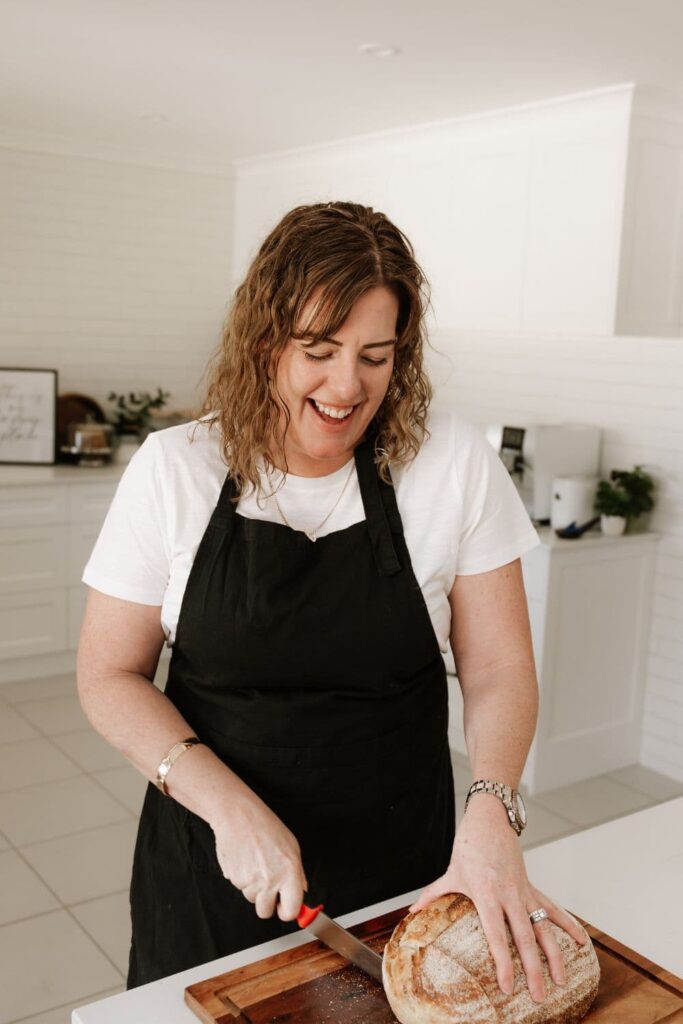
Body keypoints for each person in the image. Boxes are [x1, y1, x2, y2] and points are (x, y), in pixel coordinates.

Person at [77, 200, 588, 1001]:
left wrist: (492, 811)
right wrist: (230, 810)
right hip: (218, 861)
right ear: (261, 341)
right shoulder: (173, 468)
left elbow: (497, 665)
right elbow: (108, 675)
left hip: (407, 866)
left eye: (375, 356)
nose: (347, 386)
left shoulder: (450, 463)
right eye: (317, 350)